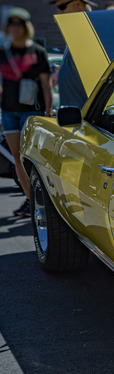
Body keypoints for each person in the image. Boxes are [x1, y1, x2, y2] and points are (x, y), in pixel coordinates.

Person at [0, 8, 52, 217]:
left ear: (26, 27)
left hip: (31, 112)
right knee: (17, 157)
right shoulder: (4, 53)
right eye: (11, 24)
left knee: (29, 157)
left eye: (19, 24)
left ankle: (41, 198)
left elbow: (46, 85)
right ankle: (30, 199)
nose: (15, 28)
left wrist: (48, 110)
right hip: (8, 111)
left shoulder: (37, 52)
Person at [49, 0, 97, 109]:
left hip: (84, 119)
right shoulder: (76, 35)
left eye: (62, 7)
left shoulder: (92, 35)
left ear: (78, 5)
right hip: (73, 116)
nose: (59, 12)